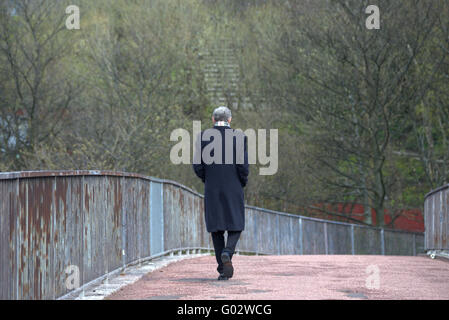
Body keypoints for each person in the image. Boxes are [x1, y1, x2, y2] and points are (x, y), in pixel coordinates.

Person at [193, 106, 249, 280]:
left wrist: (207, 179)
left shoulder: (202, 137)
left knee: (216, 228)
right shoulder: (239, 137)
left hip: (212, 187)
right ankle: (227, 252)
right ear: (230, 119)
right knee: (236, 224)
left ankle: (222, 269)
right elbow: (243, 166)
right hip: (234, 186)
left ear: (213, 119)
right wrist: (242, 181)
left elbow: (197, 166)